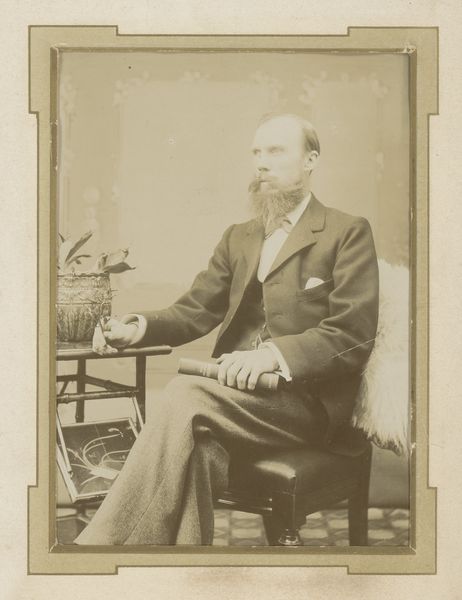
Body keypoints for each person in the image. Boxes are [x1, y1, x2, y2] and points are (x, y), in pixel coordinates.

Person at [75, 113, 379, 546]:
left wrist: (271, 356)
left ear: (311, 160)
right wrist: (136, 327)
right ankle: (179, 569)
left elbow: (352, 334)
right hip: (236, 396)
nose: (261, 163)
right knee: (198, 452)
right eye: (256, 152)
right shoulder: (239, 237)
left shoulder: (346, 231)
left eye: (276, 151)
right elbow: (195, 310)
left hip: (306, 405)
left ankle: (99, 547)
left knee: (185, 393)